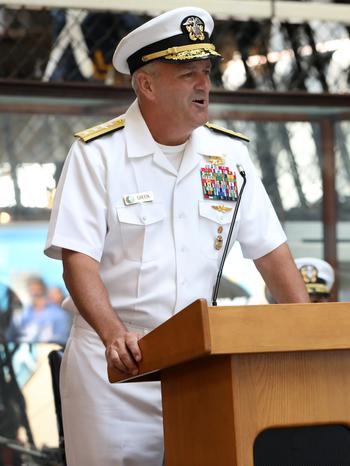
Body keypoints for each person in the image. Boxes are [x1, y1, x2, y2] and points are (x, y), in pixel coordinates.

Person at [44, 7, 309, 466]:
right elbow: (77, 260)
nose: (204, 85)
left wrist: (309, 340)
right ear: (146, 84)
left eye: (206, 72)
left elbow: (272, 255)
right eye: (187, 74)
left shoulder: (229, 156)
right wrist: (113, 335)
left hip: (198, 368)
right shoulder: (98, 156)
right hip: (116, 372)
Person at [6, 276, 71, 344]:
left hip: (46, 351)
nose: (35, 293)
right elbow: (10, 337)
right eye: (32, 290)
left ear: (44, 290)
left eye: (38, 291)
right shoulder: (22, 315)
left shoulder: (59, 314)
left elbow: (61, 339)